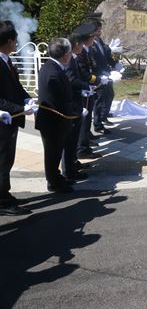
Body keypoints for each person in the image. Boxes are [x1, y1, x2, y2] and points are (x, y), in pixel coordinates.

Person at [0, 20, 34, 216]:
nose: (16, 43)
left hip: (11, 119)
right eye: (15, 40)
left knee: (7, 160)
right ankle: (2, 202)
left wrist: (27, 99)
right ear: (9, 40)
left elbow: (16, 86)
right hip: (4, 120)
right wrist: (19, 108)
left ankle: (5, 193)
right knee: (3, 162)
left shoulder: (7, 59)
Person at [36, 38, 76, 193]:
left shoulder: (51, 66)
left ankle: (55, 178)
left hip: (52, 121)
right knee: (53, 154)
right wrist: (76, 111)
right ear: (65, 55)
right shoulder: (53, 72)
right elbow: (59, 101)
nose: (71, 55)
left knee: (54, 153)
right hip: (53, 122)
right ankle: (54, 183)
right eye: (70, 52)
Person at [62, 27, 96, 182]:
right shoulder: (70, 59)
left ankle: (73, 163)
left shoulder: (73, 57)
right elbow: (71, 79)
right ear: (76, 44)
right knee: (70, 140)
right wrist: (85, 87)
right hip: (72, 103)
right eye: (81, 44)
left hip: (77, 100)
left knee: (73, 139)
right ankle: (69, 169)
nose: (83, 47)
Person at [75, 22, 108, 159]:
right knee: (83, 121)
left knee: (86, 121)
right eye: (92, 38)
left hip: (89, 89)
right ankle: (82, 149)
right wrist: (99, 80)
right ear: (86, 38)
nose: (94, 40)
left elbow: (90, 69)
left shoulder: (86, 49)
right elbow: (84, 73)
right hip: (84, 91)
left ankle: (85, 144)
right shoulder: (80, 51)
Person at [91, 16, 118, 133]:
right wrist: (98, 77)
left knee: (109, 95)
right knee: (99, 100)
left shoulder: (99, 40)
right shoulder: (90, 43)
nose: (101, 32)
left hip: (106, 75)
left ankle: (103, 115)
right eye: (99, 29)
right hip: (99, 77)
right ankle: (97, 125)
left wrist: (115, 64)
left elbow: (106, 54)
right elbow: (93, 62)